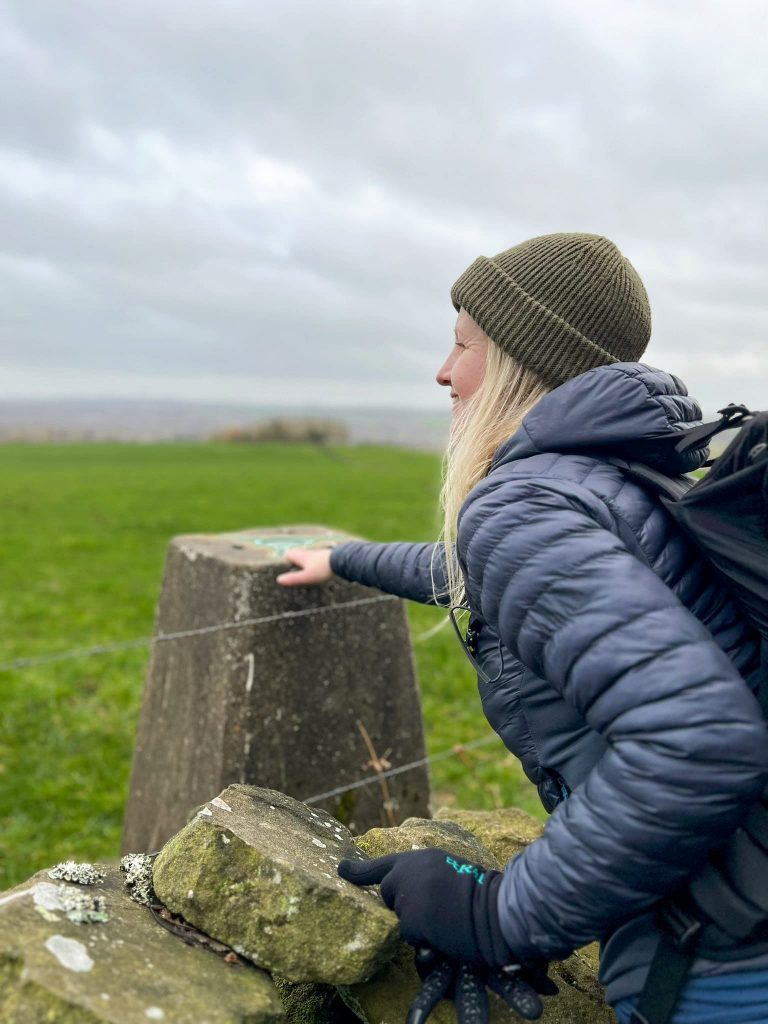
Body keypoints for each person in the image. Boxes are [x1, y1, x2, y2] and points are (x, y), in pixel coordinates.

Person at [276, 233, 768, 1022]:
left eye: (463, 343)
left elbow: (700, 741)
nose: (444, 370)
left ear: (516, 360)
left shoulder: (523, 503)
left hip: (720, 961)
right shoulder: (629, 472)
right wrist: (347, 559)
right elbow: (514, 582)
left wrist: (499, 916)